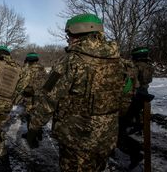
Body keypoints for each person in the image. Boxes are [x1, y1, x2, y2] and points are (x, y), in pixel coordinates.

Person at [26, 13, 124, 172]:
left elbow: (48, 99)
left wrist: (34, 127)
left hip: (77, 138)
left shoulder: (70, 61)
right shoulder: (119, 60)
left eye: (69, 35)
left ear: (76, 34)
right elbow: (124, 93)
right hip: (107, 136)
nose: (68, 39)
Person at [14, 52, 47, 140]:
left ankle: (31, 135)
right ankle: (39, 132)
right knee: (38, 114)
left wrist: (18, 94)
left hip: (30, 97)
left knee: (30, 115)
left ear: (28, 60)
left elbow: (22, 84)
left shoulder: (27, 70)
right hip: (42, 96)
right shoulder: (42, 69)